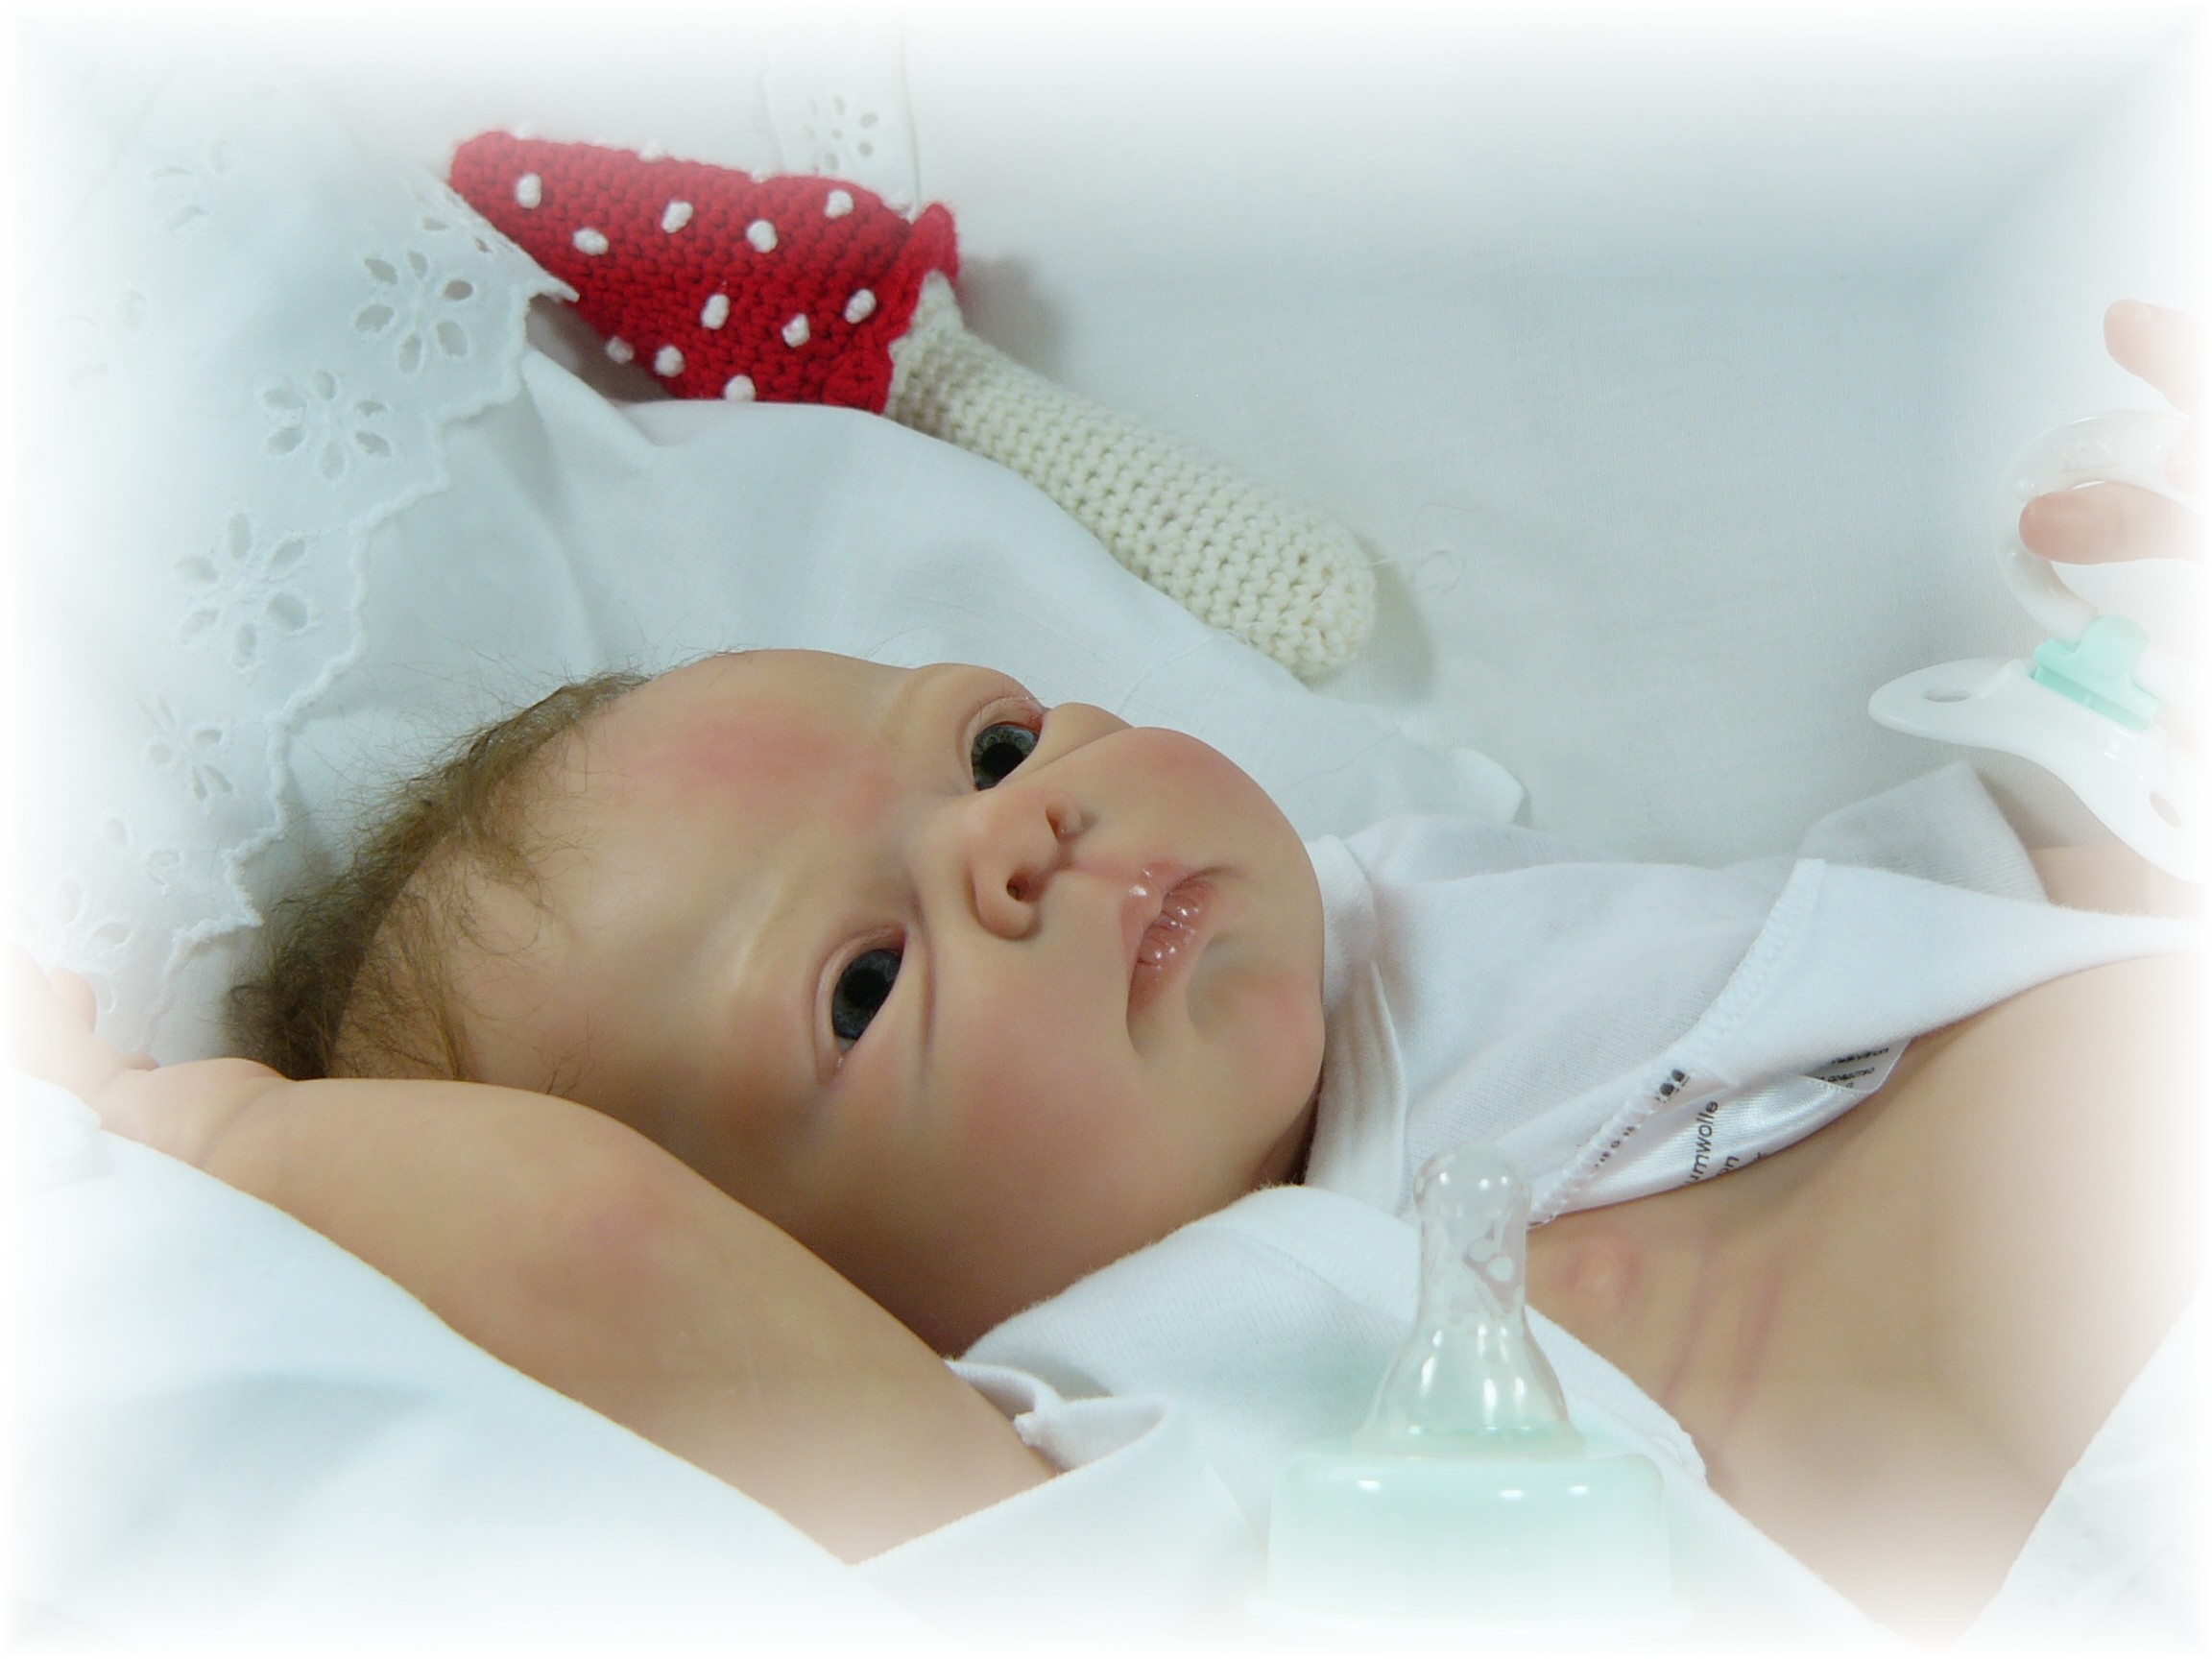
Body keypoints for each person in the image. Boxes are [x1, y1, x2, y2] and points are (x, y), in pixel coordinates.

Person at [6, 301, 2202, 1640]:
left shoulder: (1428, 926)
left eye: (981, 744)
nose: (1021, 833)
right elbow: (591, 1249)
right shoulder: (1090, 1452)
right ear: (808, 1303)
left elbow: (2036, 884)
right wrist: (177, 1139)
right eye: (861, 984)